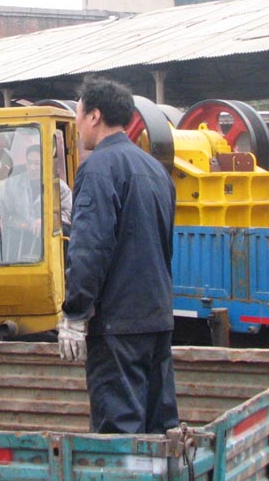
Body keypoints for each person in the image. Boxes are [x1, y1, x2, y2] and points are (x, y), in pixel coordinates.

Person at [58, 76, 178, 434]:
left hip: (116, 328)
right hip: (156, 320)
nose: (77, 124)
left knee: (119, 434)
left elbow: (90, 247)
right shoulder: (156, 170)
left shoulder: (98, 168)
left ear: (94, 116)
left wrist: (75, 312)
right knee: (158, 431)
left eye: (78, 115)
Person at [0, 144, 72, 261]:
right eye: (29, 163)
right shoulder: (13, 184)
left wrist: (46, 220)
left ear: (46, 163)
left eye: (37, 163)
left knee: (64, 231)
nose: (32, 168)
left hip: (47, 238)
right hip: (21, 235)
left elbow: (68, 213)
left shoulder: (59, 187)